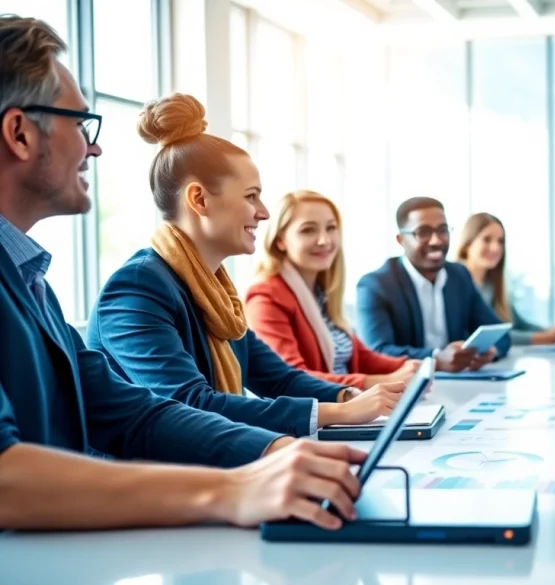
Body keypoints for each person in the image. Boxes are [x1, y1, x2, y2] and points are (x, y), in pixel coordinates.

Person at [0, 15, 362, 531]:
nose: (94, 147)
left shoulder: (28, 279)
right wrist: (235, 488)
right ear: (19, 133)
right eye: (80, 124)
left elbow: (132, 412)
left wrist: (280, 451)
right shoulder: (134, 287)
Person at [87, 93, 405, 438]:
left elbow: (278, 377)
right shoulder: (137, 289)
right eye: (251, 196)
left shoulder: (214, 292)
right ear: (199, 199)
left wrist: (351, 396)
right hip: (155, 481)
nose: (264, 212)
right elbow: (192, 403)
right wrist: (339, 411)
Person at [245, 190, 420, 389]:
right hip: (322, 413)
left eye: (331, 228)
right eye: (308, 230)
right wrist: (378, 382)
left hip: (350, 409)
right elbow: (291, 379)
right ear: (280, 241)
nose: (325, 240)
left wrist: (409, 367)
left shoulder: (319, 293)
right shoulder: (265, 298)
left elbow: (360, 356)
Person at [356, 197, 512, 371]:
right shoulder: (376, 285)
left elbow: (500, 334)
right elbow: (378, 351)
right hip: (408, 389)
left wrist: (491, 351)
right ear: (401, 240)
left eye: (442, 230)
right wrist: (436, 359)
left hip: (460, 387)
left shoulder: (459, 276)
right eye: (423, 232)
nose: (436, 240)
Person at [456, 212, 555, 346]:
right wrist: (544, 338)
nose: (496, 248)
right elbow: (488, 335)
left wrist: (551, 331)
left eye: (500, 241)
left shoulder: (491, 285)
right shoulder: (455, 284)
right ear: (467, 244)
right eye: (487, 239)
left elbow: (518, 324)